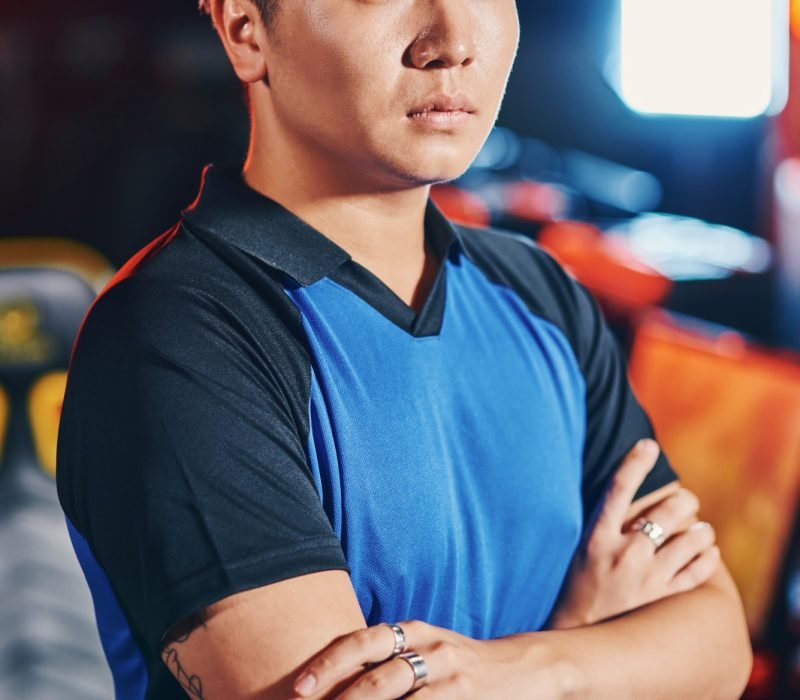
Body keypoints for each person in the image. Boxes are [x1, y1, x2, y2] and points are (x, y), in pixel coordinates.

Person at [55, 1, 752, 698]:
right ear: (246, 29)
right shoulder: (177, 336)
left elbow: (719, 647)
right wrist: (592, 642)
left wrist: (539, 670)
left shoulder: (539, 294)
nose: (451, 43)